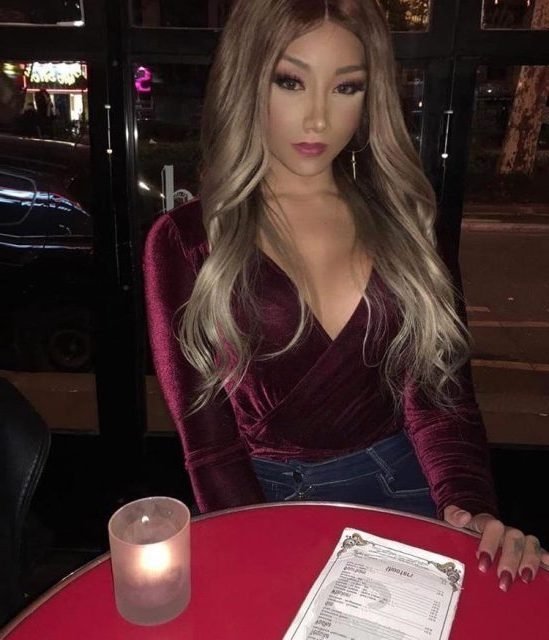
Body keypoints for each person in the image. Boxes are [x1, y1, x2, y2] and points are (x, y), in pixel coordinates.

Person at [143, 0, 548, 591]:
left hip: (408, 490)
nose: (317, 118)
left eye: (346, 87)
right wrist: (255, 546)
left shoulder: (408, 224)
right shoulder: (186, 241)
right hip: (262, 504)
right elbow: (210, 447)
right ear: (246, 80)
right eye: (290, 81)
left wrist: (470, 510)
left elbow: (442, 398)